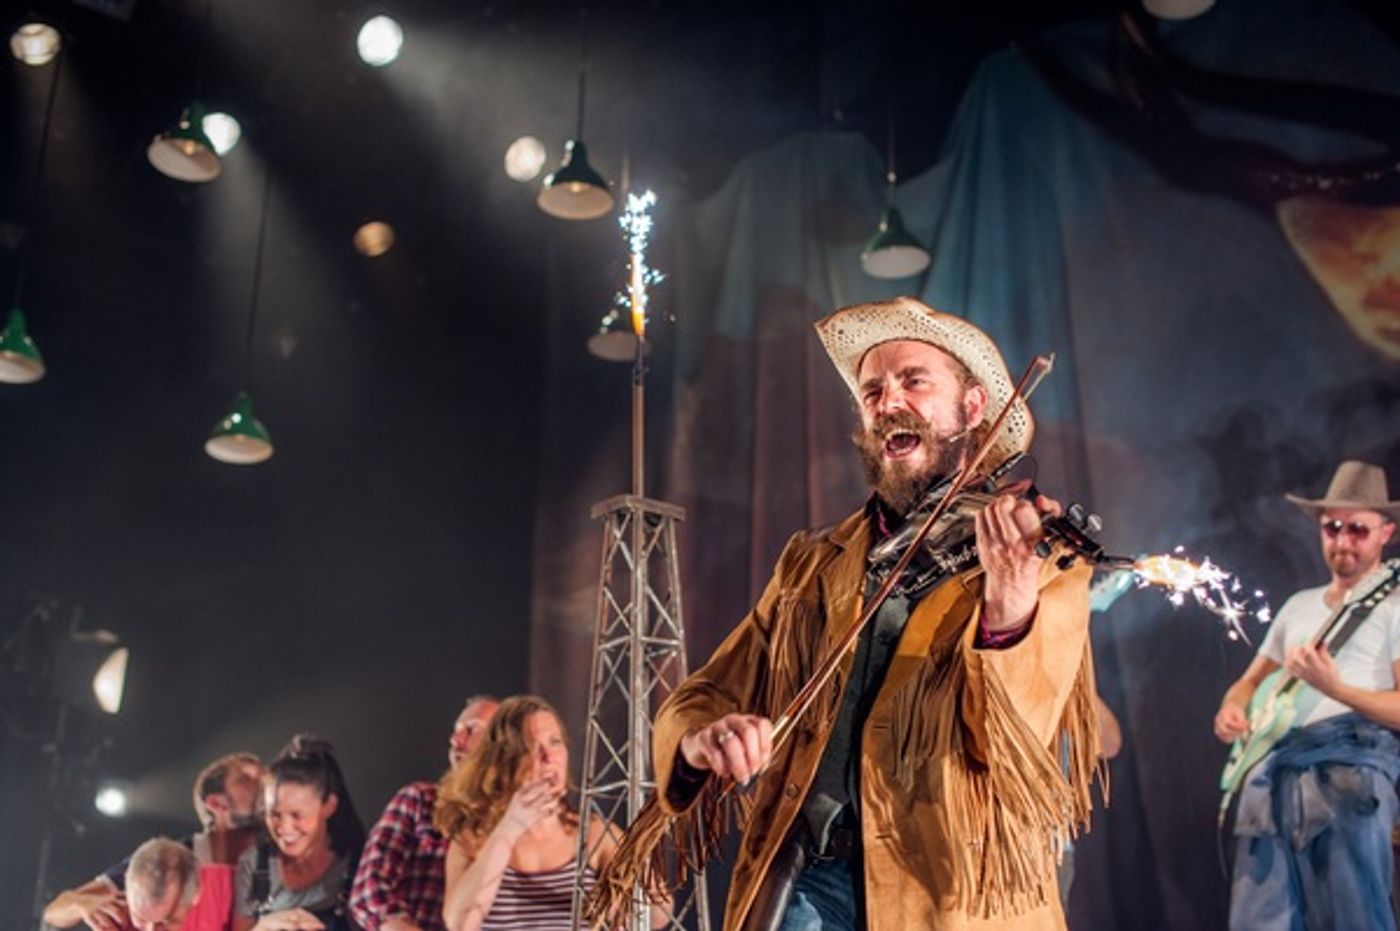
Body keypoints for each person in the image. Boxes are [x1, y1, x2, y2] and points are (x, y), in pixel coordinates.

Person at [597, 297, 1100, 931]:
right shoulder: (813, 560)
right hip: (809, 876)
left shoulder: (1043, 561)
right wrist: (702, 738)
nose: (889, 403)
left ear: (973, 408)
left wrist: (1008, 606)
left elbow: (1013, 748)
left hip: (948, 890)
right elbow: (707, 692)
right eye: (873, 392)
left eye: (914, 382)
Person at [1214, 459, 1400, 930]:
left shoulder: (1395, 606)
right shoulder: (1297, 606)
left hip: (1352, 768)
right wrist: (1232, 707)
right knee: (1263, 919)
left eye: (1358, 529)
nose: (1343, 540)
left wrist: (1337, 689)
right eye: (1332, 527)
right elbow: (1248, 682)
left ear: (1387, 533)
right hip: (1277, 771)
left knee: (1352, 917)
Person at [433, 695, 664, 931]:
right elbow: (459, 924)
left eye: (555, 742)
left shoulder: (592, 834)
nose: (548, 757)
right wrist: (510, 828)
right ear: (505, 760)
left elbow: (660, 913)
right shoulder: (473, 839)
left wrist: (631, 898)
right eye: (530, 746)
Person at [44, 752, 265, 931]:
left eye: (265, 774)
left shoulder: (274, 861)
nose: (266, 782)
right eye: (247, 778)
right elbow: (54, 912)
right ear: (217, 804)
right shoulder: (168, 863)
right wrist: (83, 903)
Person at [350, 696, 500, 931]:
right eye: (456, 731)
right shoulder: (420, 800)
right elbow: (370, 885)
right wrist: (397, 922)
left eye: (472, 730)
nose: (455, 740)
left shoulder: (516, 822)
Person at [234, 735, 366, 931]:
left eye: (297, 815)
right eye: (274, 814)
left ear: (329, 806)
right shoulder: (252, 863)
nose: (285, 827)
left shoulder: (359, 862)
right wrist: (264, 925)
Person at [124, 836, 238, 931]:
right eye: (140, 919)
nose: (150, 930)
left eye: (165, 924)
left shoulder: (230, 888)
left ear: (197, 894)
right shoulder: (118, 915)